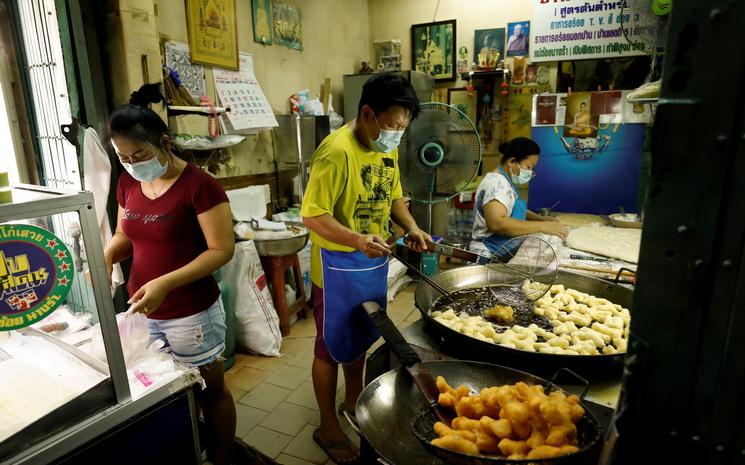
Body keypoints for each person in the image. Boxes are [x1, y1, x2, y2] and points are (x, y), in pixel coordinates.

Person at [301, 73, 431, 464]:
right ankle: (327, 427)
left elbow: (392, 198)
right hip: (336, 267)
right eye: (391, 126)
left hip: (370, 264)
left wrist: (411, 227)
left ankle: (352, 403)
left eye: (402, 129)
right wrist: (356, 239)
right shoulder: (336, 151)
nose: (395, 135)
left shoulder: (384, 147)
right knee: (329, 348)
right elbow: (313, 215)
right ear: (368, 114)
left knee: (359, 338)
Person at [103, 84, 236, 465]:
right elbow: (125, 235)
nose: (131, 163)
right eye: (123, 157)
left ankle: (224, 458)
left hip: (191, 313)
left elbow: (220, 250)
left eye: (140, 154)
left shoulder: (201, 187)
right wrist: (109, 254)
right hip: (144, 312)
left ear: (164, 141)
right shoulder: (128, 181)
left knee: (211, 392)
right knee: (168, 394)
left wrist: (165, 282)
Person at [470, 137, 567, 258]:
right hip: (488, 255)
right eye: (528, 167)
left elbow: (511, 208)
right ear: (512, 161)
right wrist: (544, 227)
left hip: (504, 251)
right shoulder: (496, 184)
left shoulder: (507, 182)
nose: (530, 172)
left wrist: (540, 219)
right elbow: (497, 223)